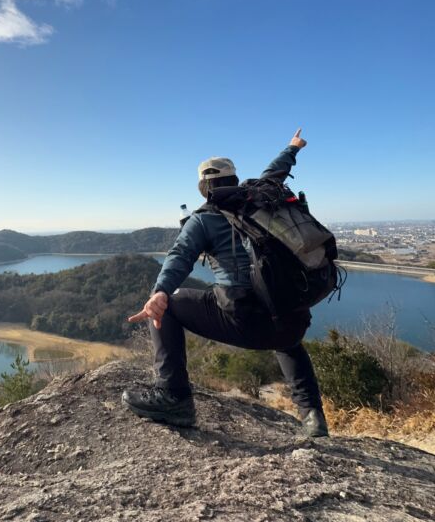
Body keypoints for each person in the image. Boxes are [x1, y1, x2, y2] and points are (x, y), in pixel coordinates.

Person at [122, 128, 328, 438]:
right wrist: (292, 147)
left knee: (169, 306)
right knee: (280, 309)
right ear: (235, 181)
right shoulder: (261, 198)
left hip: (245, 323)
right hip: (293, 320)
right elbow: (275, 172)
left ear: (203, 188)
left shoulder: (202, 219)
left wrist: (160, 292)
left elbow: (179, 257)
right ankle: (313, 417)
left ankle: (173, 396)